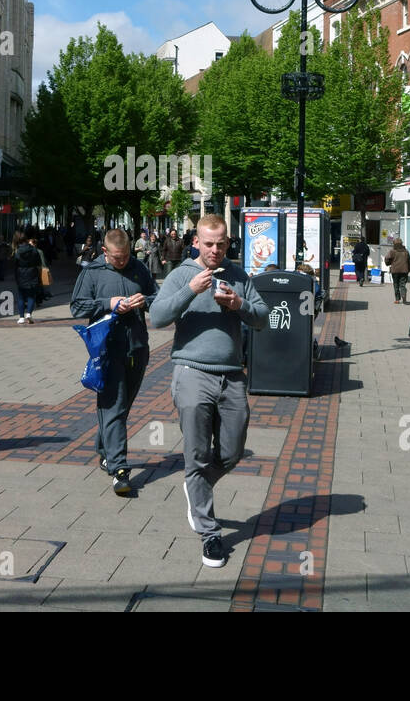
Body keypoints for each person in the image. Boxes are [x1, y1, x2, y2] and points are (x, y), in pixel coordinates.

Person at [150, 214, 267, 569]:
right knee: (197, 454)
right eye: (208, 243)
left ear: (227, 243)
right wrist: (190, 291)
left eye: (221, 244)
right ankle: (209, 534)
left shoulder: (238, 276)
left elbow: (263, 317)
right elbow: (156, 317)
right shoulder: (182, 274)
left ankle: (196, 485)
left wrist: (239, 305)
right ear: (196, 243)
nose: (215, 250)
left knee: (231, 452)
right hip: (191, 372)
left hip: (231, 374)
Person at [71, 228, 158, 495]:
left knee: (121, 407)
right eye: (118, 258)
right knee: (114, 406)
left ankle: (105, 450)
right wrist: (108, 303)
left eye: (126, 256)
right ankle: (120, 470)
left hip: (137, 347)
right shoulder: (93, 272)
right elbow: (77, 306)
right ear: (105, 252)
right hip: (107, 349)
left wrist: (145, 301)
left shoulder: (139, 268)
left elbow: (158, 298)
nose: (123, 262)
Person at [13, 233, 44, 324]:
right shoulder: (34, 250)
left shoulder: (18, 251)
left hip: (21, 274)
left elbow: (15, 263)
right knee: (31, 295)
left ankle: (21, 317)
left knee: (21, 296)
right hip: (32, 273)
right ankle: (29, 314)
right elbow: (39, 262)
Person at [384, 238, 410, 304]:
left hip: (395, 271)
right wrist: (409, 269)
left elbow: (387, 259)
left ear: (394, 244)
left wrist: (388, 263)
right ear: (401, 243)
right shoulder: (406, 251)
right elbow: (409, 261)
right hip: (404, 271)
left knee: (396, 284)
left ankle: (397, 299)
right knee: (403, 285)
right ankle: (404, 299)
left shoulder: (392, 251)